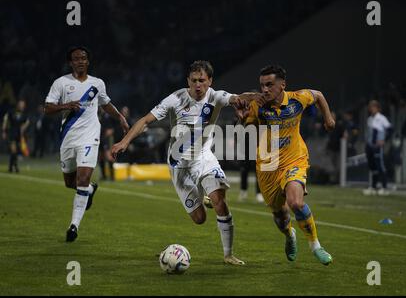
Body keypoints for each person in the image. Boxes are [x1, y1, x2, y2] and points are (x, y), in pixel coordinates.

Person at [111, 60, 262, 265]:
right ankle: (203, 197)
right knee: (199, 219)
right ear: (187, 81)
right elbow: (146, 120)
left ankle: (228, 254)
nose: (198, 85)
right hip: (179, 164)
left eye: (202, 80)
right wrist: (124, 141)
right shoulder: (175, 99)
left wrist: (255, 97)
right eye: (194, 81)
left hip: (204, 157)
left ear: (210, 81)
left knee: (220, 200)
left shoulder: (216, 96)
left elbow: (238, 98)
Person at [239, 65, 335, 265]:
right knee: (281, 215)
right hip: (267, 165)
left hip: (294, 159)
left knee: (296, 202)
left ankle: (315, 245)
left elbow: (318, 95)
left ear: (282, 85)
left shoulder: (297, 99)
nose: (265, 90)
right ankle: (289, 234)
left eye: (269, 85)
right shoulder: (257, 106)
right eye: (262, 85)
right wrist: (243, 120)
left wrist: (328, 118)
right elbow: (248, 129)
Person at [44, 46, 130, 242]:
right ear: (70, 62)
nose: (80, 61)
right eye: (76, 58)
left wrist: (120, 118)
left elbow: (105, 103)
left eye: (83, 58)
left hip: (90, 137)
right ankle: (90, 190)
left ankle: (73, 226)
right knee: (69, 183)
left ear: (88, 61)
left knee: (82, 179)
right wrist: (66, 105)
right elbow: (47, 108)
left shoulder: (97, 84)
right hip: (68, 137)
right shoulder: (61, 83)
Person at [363, 100, 392, 196]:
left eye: (374, 107)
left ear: (378, 108)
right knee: (372, 166)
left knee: (380, 166)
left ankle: (384, 187)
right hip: (370, 145)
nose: (372, 109)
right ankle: (373, 186)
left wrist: (384, 140)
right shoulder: (370, 119)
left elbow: (390, 129)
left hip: (377, 146)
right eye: (371, 107)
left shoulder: (382, 118)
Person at [2, 99, 30, 173]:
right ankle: (16, 167)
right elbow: (5, 119)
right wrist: (4, 131)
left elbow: (27, 122)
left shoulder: (24, 114)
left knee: (15, 152)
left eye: (23, 105)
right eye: (21, 104)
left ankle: (11, 167)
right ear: (18, 105)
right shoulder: (12, 111)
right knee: (13, 150)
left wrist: (23, 127)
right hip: (11, 134)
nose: (22, 106)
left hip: (19, 135)